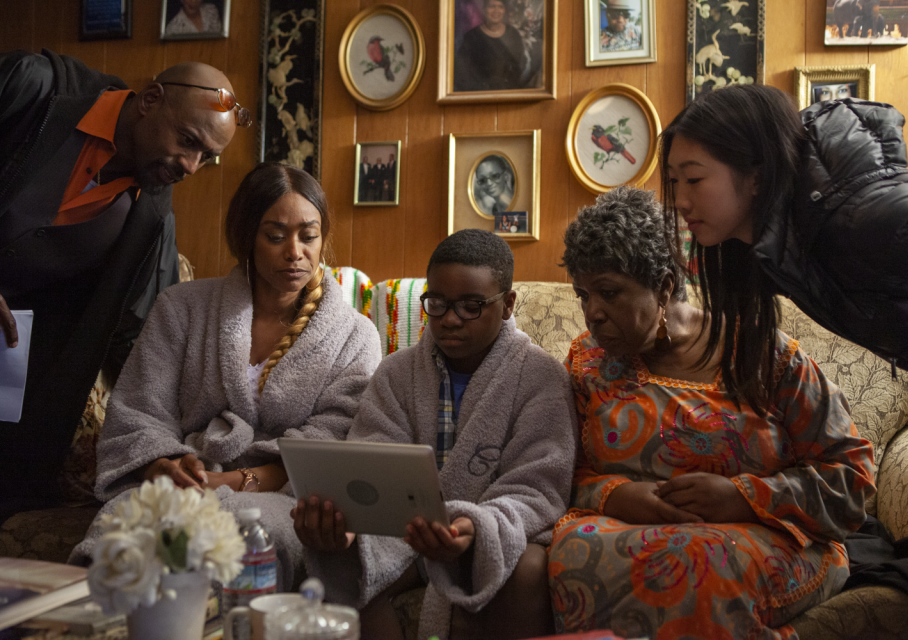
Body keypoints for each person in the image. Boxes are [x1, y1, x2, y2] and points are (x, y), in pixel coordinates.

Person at [660, 83, 908, 636]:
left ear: (754, 175)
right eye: (674, 182)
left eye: (694, 179)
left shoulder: (866, 222)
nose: (679, 200)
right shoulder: (782, 249)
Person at [548, 186, 876, 637]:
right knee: (561, 557)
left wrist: (742, 496)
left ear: (664, 287)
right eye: (583, 295)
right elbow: (560, 470)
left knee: (697, 567)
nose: (593, 314)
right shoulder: (587, 363)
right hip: (618, 527)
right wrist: (617, 496)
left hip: (760, 534)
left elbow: (851, 478)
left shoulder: (764, 358)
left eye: (608, 292)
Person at [68, 163, 382, 589]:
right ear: (245, 238)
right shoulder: (180, 307)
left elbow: (331, 441)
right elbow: (141, 409)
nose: (295, 252)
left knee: (242, 538)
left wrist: (234, 482)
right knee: (124, 538)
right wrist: (165, 467)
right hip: (182, 482)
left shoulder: (354, 336)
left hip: (281, 496)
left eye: (308, 236)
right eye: (275, 236)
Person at [293, 229, 577, 639]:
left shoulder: (541, 377)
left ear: (508, 304)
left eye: (471, 306)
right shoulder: (396, 373)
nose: (450, 318)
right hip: (404, 535)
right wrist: (345, 522)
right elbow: (371, 462)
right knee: (343, 568)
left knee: (529, 567)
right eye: (438, 303)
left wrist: (475, 527)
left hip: (486, 534)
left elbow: (538, 487)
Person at [0, 50, 246, 520]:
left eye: (207, 158)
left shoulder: (151, 219)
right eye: (188, 141)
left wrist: (180, 436)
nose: (191, 166)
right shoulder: (35, 87)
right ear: (150, 100)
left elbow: (140, 339)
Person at [453, 0, 525, 92]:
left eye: (500, 6)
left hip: (508, 94)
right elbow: (462, 71)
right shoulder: (471, 37)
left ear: (504, 10)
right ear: (484, 9)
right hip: (478, 94)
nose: (496, 10)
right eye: (491, 6)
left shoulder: (513, 34)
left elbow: (519, 67)